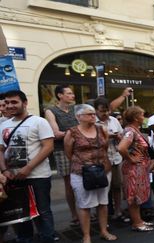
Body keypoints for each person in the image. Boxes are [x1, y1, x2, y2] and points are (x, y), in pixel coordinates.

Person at [0, 90, 56, 242]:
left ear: (24, 103)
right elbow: (1, 150)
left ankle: (47, 239)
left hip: (38, 177)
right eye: (7, 103)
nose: (10, 106)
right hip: (13, 178)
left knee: (42, 212)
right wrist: (5, 170)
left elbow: (48, 147)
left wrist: (28, 168)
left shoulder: (39, 122)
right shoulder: (4, 125)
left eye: (14, 102)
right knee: (20, 215)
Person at [64, 104, 117, 243]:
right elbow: (69, 153)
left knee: (103, 202)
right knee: (85, 204)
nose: (93, 116)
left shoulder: (101, 129)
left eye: (94, 113)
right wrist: (84, 163)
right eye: (89, 114)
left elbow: (105, 147)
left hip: (103, 170)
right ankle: (86, 235)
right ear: (78, 116)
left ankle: (104, 231)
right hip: (82, 173)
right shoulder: (72, 132)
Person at [44, 85, 79, 227]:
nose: (72, 96)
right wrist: (77, 133)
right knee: (69, 183)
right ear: (60, 95)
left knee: (84, 179)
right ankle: (74, 214)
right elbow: (56, 133)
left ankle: (85, 210)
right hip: (62, 150)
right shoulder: (51, 111)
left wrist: (72, 133)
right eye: (69, 93)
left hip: (80, 148)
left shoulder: (75, 109)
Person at [117, 106, 154, 232]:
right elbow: (121, 148)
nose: (144, 117)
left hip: (139, 168)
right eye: (142, 115)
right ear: (135, 117)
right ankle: (137, 223)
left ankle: (139, 221)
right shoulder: (130, 131)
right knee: (133, 196)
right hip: (133, 169)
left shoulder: (133, 130)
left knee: (137, 196)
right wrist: (131, 159)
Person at [93, 97, 129, 223]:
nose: (106, 113)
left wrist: (119, 137)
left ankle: (118, 211)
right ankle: (103, 216)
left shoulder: (114, 120)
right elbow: (93, 140)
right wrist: (107, 137)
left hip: (116, 157)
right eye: (102, 111)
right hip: (101, 159)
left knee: (117, 186)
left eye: (107, 110)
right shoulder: (93, 122)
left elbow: (122, 136)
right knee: (102, 189)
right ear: (96, 110)